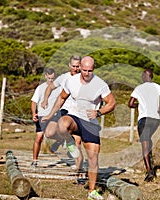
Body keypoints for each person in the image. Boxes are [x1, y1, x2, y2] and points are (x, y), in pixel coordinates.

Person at [42, 56, 116, 200]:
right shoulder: (71, 81)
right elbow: (62, 98)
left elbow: (112, 103)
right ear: (80, 67)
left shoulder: (100, 84)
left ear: (93, 69)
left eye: (90, 70)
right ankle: (69, 142)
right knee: (63, 124)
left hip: (90, 122)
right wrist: (50, 114)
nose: (87, 73)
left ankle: (92, 192)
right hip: (75, 116)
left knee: (93, 158)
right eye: (84, 70)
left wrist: (99, 112)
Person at [128, 69, 160, 182]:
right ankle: (150, 160)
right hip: (155, 119)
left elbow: (130, 104)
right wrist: (159, 109)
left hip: (144, 119)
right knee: (148, 139)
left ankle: (150, 171)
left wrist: (138, 106)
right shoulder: (159, 87)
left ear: (145, 77)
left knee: (144, 143)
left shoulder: (138, 88)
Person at [41, 55, 81, 157]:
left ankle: (70, 144)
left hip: (75, 112)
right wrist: (45, 100)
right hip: (61, 109)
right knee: (49, 133)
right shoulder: (64, 77)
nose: (75, 69)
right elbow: (49, 87)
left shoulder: (83, 79)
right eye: (73, 66)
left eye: (77, 66)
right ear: (69, 65)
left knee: (67, 129)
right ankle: (63, 139)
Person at [30, 68, 61, 167]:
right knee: (39, 137)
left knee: (50, 134)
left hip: (53, 115)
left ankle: (61, 139)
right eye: (49, 78)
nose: (51, 80)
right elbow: (34, 102)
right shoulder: (40, 88)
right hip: (41, 116)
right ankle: (34, 161)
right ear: (45, 76)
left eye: (53, 78)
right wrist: (34, 113)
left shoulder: (59, 88)